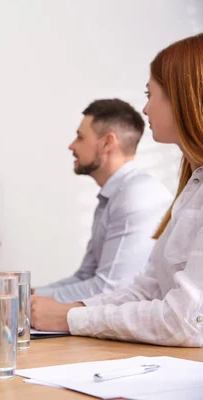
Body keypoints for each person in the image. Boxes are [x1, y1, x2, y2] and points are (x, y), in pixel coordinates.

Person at [31, 33, 203, 348]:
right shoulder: (191, 189)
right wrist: (61, 308)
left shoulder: (138, 195)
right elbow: (149, 288)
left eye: (151, 94)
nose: (146, 109)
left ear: (181, 97)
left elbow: (186, 320)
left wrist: (68, 317)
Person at [32, 99, 172, 302]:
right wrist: (30, 295)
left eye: (80, 137)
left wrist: (29, 300)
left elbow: (110, 290)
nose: (72, 146)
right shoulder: (113, 195)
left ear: (107, 142)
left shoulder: (136, 196)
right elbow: (86, 276)